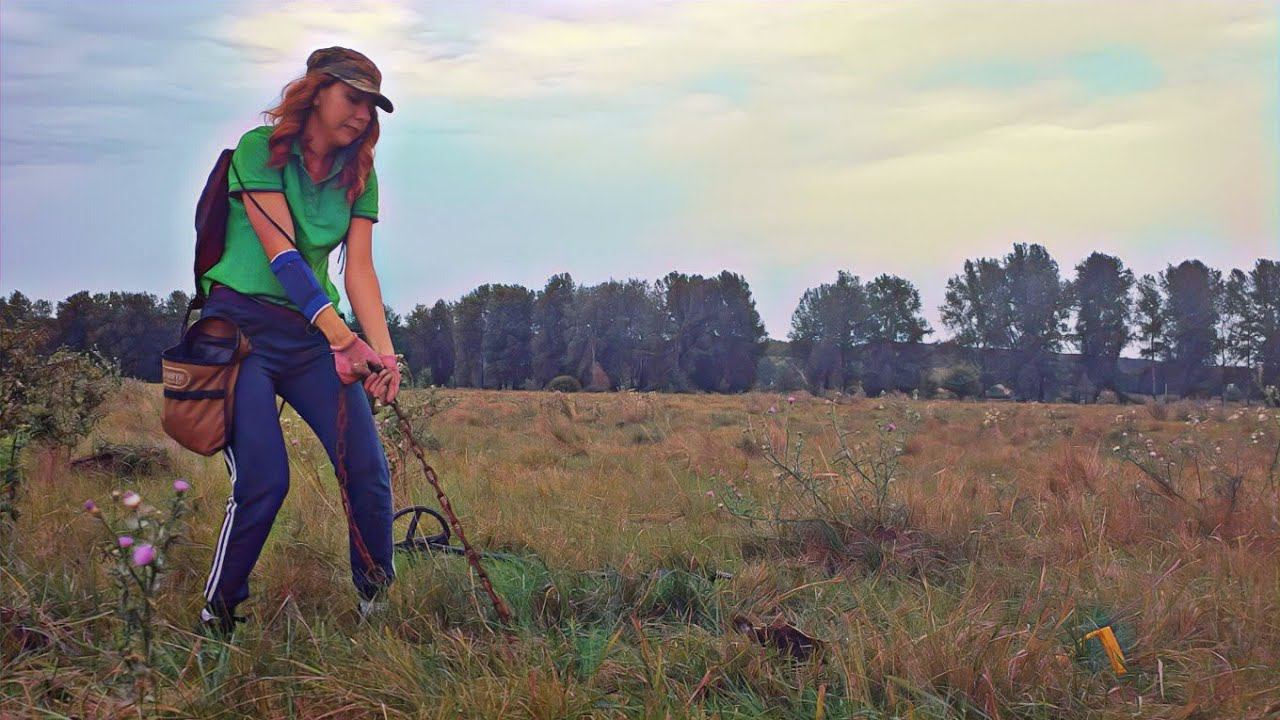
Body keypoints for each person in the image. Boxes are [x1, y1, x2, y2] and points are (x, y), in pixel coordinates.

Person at [195, 47, 401, 637]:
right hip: (241, 331)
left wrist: (382, 354)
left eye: (371, 106)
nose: (361, 115)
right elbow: (283, 255)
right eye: (351, 98)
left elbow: (358, 271)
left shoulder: (360, 175)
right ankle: (220, 615)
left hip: (311, 337)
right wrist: (343, 338)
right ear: (315, 93)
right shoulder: (260, 151)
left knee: (366, 468)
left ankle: (374, 606)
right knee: (264, 479)